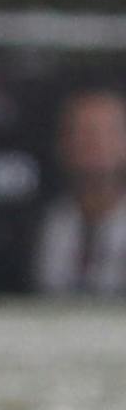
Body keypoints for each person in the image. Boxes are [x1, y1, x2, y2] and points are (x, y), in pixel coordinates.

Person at [32, 87, 126, 297]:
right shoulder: (44, 225)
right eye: (84, 131)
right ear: (63, 143)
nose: (96, 143)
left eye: (108, 132)